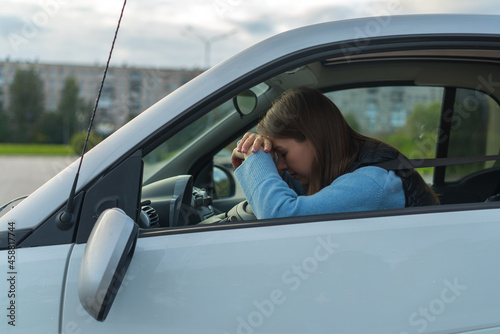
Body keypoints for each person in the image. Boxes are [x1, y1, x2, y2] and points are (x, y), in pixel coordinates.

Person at [231, 87, 439, 219]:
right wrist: (249, 150)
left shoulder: (372, 183)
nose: (281, 166)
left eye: (282, 154)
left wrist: (255, 155)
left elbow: (281, 216)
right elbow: (278, 193)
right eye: (274, 157)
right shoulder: (344, 167)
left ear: (314, 138)